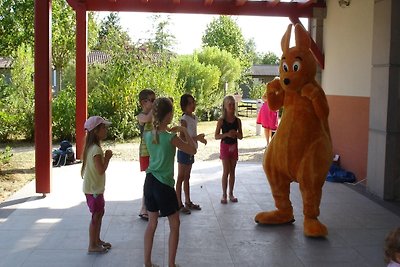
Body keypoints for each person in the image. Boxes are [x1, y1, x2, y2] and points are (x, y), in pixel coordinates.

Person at [143, 97, 197, 267]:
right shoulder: (170, 137)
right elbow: (193, 149)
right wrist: (183, 130)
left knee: (152, 224)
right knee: (175, 225)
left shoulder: (148, 135)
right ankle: (171, 264)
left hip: (149, 182)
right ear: (169, 116)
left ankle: (147, 263)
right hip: (163, 185)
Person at [81, 116, 113, 254]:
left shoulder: (92, 147)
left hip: (94, 188)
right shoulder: (96, 150)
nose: (106, 129)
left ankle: (97, 240)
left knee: (100, 213)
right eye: (103, 127)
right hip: (94, 189)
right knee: (96, 215)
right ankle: (92, 245)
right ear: (95, 131)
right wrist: (107, 158)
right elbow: (101, 170)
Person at [176, 94, 207, 215]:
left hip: (191, 150)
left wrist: (198, 139)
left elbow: (193, 134)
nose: (193, 105)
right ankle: (179, 203)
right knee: (181, 177)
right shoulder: (184, 119)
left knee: (187, 177)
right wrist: (197, 138)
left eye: (193, 102)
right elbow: (182, 136)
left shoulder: (194, 117)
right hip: (184, 150)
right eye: (190, 103)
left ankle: (188, 201)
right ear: (184, 106)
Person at [214, 95, 243, 204]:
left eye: (233, 104)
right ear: (225, 107)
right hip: (225, 146)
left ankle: (231, 193)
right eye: (229, 104)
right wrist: (226, 134)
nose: (231, 106)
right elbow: (216, 136)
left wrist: (235, 133)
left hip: (234, 146)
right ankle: (224, 194)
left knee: (232, 171)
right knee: (226, 171)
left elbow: (241, 136)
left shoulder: (238, 121)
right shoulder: (221, 121)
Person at [137, 89, 156, 220]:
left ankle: (150, 207)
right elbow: (148, 118)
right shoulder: (141, 116)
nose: (154, 103)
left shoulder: (153, 114)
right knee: (149, 180)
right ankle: (144, 207)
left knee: (153, 180)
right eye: (152, 100)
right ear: (144, 102)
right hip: (146, 152)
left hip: (155, 151)